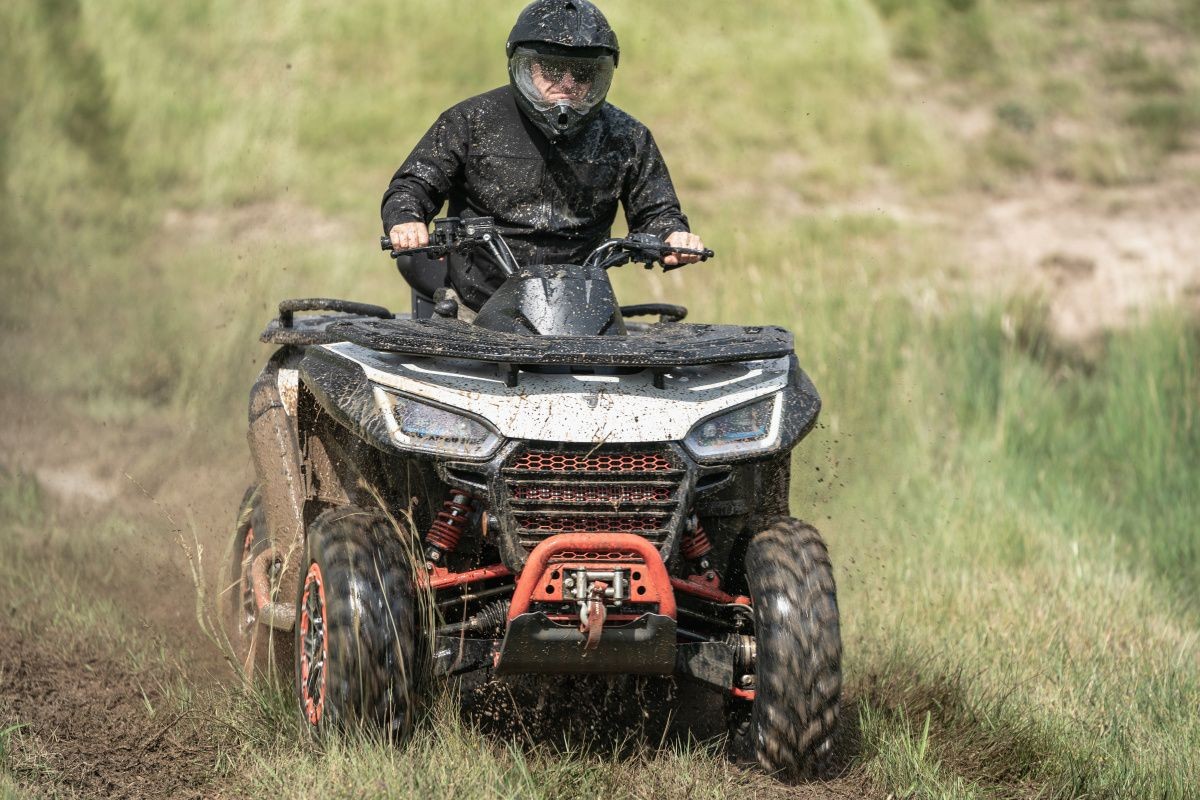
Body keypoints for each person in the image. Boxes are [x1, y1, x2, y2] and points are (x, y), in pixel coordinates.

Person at [382, 0, 705, 313]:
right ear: (523, 68)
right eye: (551, 70)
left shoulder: (627, 137)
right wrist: (407, 219)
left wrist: (672, 235)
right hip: (476, 309)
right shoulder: (471, 120)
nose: (567, 85)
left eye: (582, 74)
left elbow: (657, 213)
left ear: (602, 75)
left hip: (580, 314)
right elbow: (413, 185)